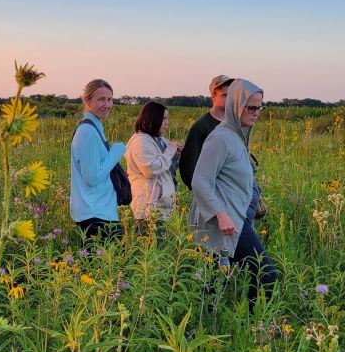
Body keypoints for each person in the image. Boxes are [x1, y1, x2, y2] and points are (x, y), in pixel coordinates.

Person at [191, 78, 277, 308]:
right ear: (236, 105)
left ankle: (207, 325)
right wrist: (220, 214)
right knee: (265, 274)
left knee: (215, 279)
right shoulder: (221, 138)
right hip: (226, 223)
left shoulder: (238, 135)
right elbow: (200, 180)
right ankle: (255, 326)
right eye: (251, 107)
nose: (257, 113)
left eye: (260, 107)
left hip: (236, 219)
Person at [70, 78, 127, 241]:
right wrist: (116, 152)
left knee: (107, 264)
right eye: (101, 99)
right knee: (109, 264)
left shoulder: (93, 129)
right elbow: (92, 177)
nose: (107, 105)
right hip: (95, 214)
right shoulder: (88, 132)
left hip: (99, 211)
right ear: (87, 100)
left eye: (110, 99)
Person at [125, 101, 180, 236]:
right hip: (148, 206)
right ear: (153, 118)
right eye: (164, 118)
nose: (167, 123)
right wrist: (170, 151)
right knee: (147, 248)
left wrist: (176, 156)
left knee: (160, 247)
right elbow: (150, 170)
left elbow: (167, 169)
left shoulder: (160, 140)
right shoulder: (140, 141)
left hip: (161, 205)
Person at [178, 74, 233, 189]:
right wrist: (200, 190)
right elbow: (189, 163)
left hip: (230, 190)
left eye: (232, 95)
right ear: (213, 95)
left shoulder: (235, 124)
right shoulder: (201, 126)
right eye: (225, 95)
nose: (230, 99)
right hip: (209, 192)